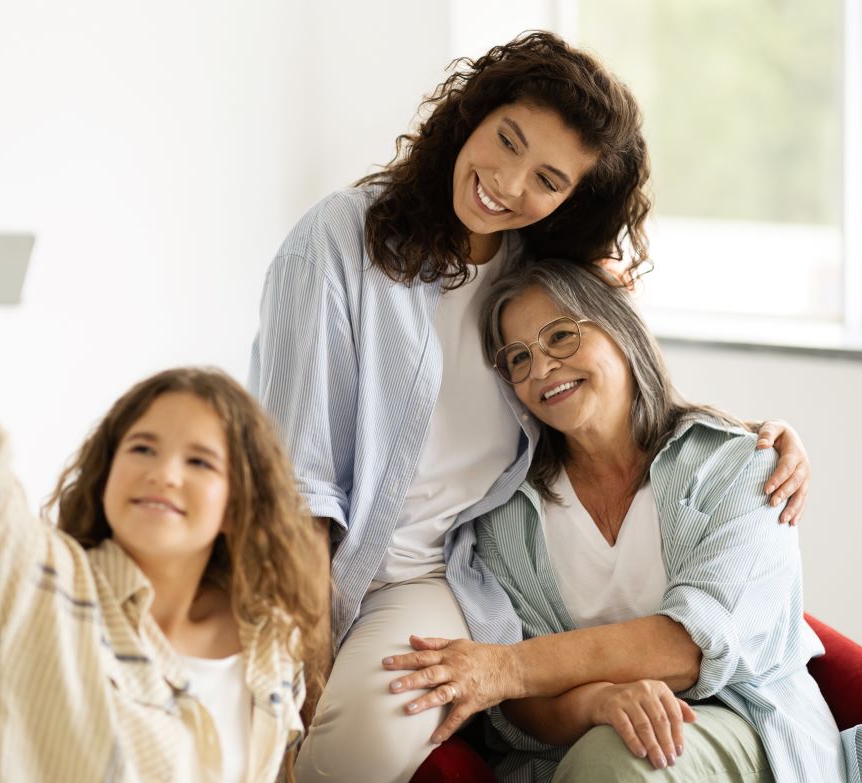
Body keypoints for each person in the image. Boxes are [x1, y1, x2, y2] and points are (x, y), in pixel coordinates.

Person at [249, 31, 812, 783]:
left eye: (546, 179)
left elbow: (624, 384)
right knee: (233, 720)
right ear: (472, 113)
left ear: (570, 200)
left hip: (431, 580)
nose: (507, 184)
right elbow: (296, 481)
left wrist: (757, 439)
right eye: (506, 141)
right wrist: (301, 659)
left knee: (357, 756)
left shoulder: (544, 274)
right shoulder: (338, 241)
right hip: (299, 555)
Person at [0, 211, 325, 783]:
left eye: (198, 461)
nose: (164, 474)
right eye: (142, 449)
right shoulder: (49, 588)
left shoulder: (271, 639)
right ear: (107, 473)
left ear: (237, 506)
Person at [381, 260, 862, 782]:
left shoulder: (741, 467)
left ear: (620, 327)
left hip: (746, 725)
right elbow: (518, 708)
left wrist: (506, 666)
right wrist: (598, 702)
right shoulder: (506, 515)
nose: (542, 368)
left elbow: (691, 646)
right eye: (518, 357)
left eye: (562, 335)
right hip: (580, 745)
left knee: (617, 761)